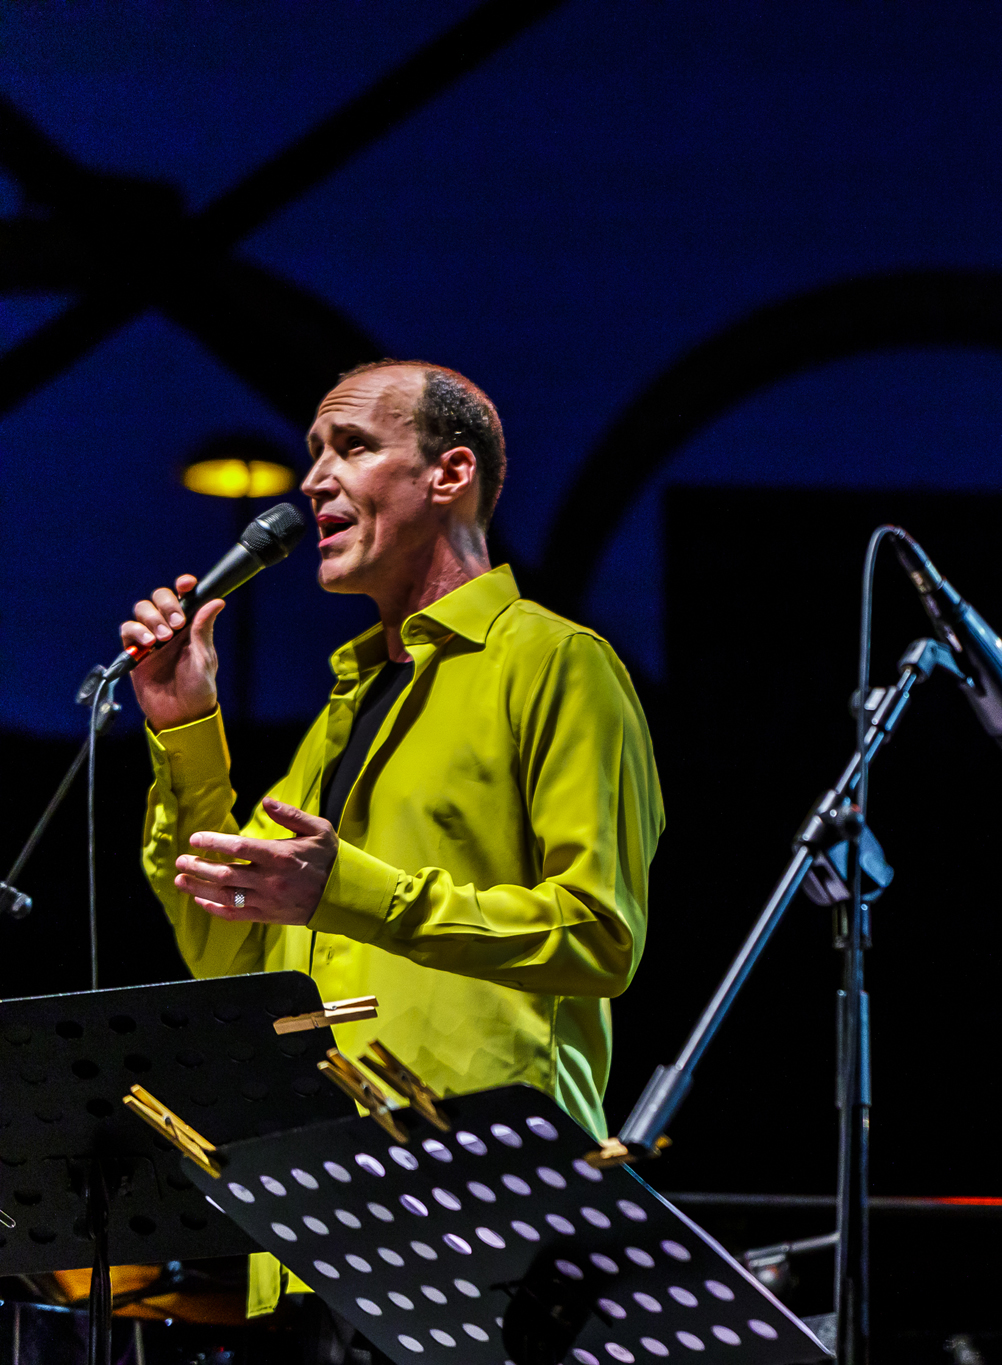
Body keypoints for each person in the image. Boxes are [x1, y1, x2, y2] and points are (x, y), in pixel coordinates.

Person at [122, 360, 664, 1325]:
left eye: (353, 447)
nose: (314, 480)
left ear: (449, 473)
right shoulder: (345, 711)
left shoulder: (558, 665)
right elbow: (226, 956)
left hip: (488, 1219)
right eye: (313, 454)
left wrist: (351, 891)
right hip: (307, 1231)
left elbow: (599, 937)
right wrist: (186, 729)